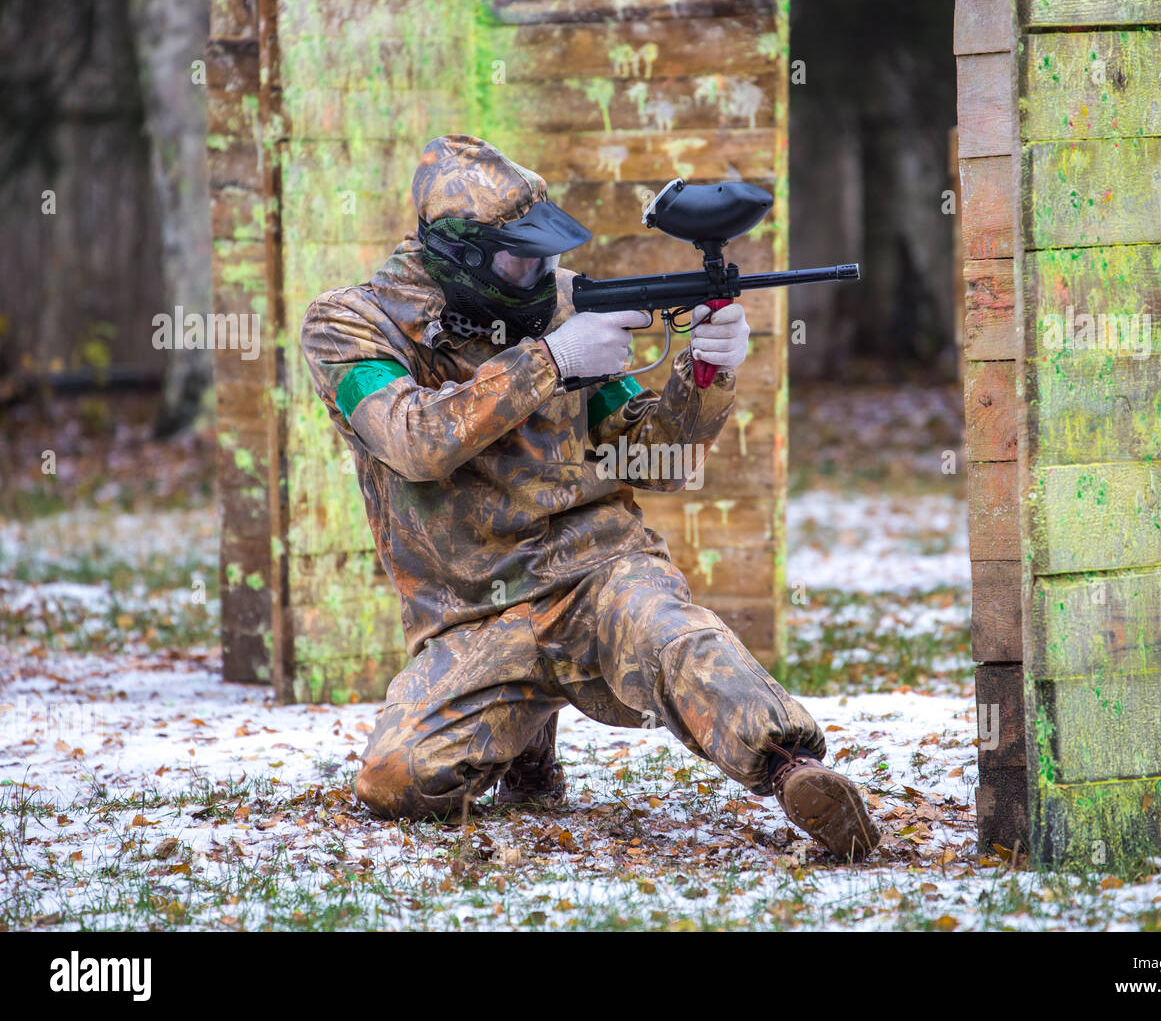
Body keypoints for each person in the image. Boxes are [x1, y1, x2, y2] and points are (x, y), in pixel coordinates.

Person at [299, 134, 879, 861]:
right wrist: (551, 359)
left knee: (675, 637)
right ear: (464, 255)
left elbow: (650, 454)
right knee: (394, 778)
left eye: (548, 253)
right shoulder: (351, 327)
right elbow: (413, 439)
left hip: (600, 570)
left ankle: (796, 769)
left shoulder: (564, 304)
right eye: (522, 257)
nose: (546, 272)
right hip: (473, 610)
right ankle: (525, 738)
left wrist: (705, 373)